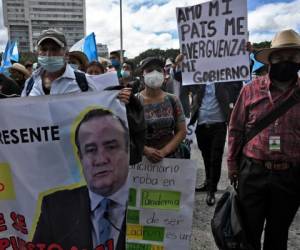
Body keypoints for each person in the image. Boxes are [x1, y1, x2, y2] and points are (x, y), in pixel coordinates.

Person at [227, 29, 300, 250]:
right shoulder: (250, 90)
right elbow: (236, 129)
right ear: (270, 60)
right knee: (248, 232)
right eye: (279, 57)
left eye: (292, 57)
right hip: (253, 172)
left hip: (290, 175)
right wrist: (232, 165)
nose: (285, 62)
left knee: (278, 235)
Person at [33, 108, 128, 250]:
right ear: (80, 157)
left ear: (128, 150)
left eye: (111, 147)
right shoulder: (54, 207)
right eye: (90, 150)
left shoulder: (152, 203)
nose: (101, 160)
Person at [189, 62, 242, 206]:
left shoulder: (223, 79)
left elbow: (239, 75)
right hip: (201, 124)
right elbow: (179, 77)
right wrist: (180, 64)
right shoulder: (197, 79)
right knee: (206, 156)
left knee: (215, 157)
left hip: (218, 124)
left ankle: (211, 190)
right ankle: (208, 182)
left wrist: (245, 58)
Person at [137, 57, 187, 163]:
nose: (154, 73)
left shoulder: (173, 99)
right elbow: (126, 134)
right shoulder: (134, 101)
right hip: (142, 163)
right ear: (143, 74)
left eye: (158, 70)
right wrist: (145, 150)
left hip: (171, 160)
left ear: (164, 74)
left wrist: (164, 152)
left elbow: (182, 131)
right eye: (149, 70)